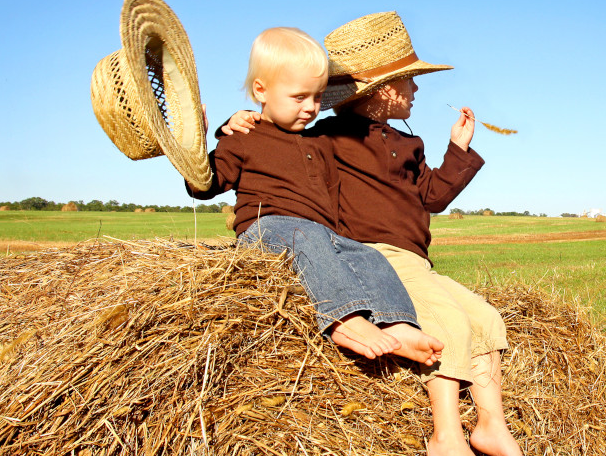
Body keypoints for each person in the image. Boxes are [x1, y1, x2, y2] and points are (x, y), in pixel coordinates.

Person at [224, 13, 536, 456]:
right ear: (378, 89)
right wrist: (233, 123)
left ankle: (491, 425)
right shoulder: (328, 135)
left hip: (415, 258)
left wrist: (457, 151)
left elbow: (430, 196)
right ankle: (446, 436)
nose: (416, 89)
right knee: (448, 325)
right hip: (374, 253)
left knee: (488, 321)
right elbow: (273, 143)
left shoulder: (410, 142)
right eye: (409, 79)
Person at [190, 27, 443, 366]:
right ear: (261, 91)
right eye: (299, 97)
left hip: (322, 233)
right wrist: (206, 140)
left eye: (317, 97)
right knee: (304, 237)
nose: (311, 108)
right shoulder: (243, 137)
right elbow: (205, 186)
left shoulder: (319, 140)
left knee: (369, 258)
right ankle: (343, 320)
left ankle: (398, 323)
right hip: (267, 230)